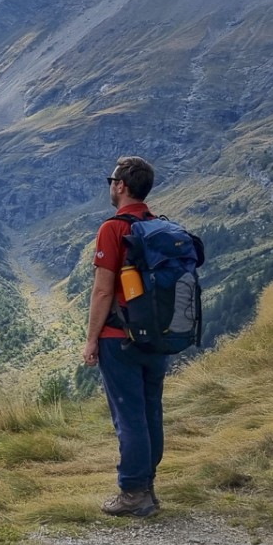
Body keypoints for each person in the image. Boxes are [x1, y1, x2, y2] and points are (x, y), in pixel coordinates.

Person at [83, 155, 167, 517]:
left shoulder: (113, 229)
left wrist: (91, 341)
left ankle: (132, 493)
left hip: (120, 337)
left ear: (121, 186)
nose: (110, 186)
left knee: (128, 417)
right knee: (150, 413)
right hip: (158, 337)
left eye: (111, 181)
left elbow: (103, 292)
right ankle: (147, 487)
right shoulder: (159, 227)